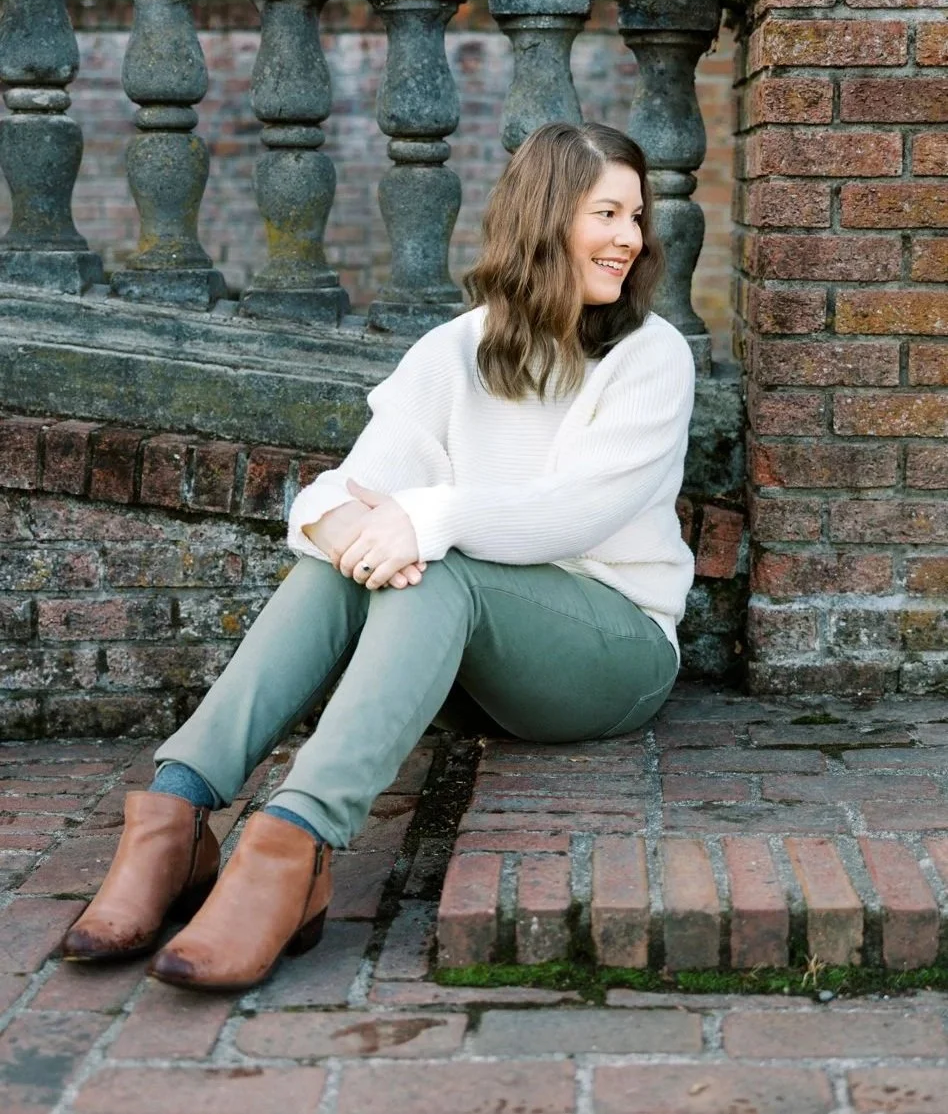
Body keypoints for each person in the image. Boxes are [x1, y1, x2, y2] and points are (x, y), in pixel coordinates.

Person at [59, 121, 695, 992]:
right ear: (546, 218)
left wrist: (424, 519)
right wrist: (355, 531)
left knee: (433, 562)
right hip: (475, 661)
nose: (631, 237)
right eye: (607, 213)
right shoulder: (454, 351)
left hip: (612, 648)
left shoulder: (648, 355)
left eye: (637, 216)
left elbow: (573, 515)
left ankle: (292, 842)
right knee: (346, 559)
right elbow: (332, 496)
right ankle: (176, 811)